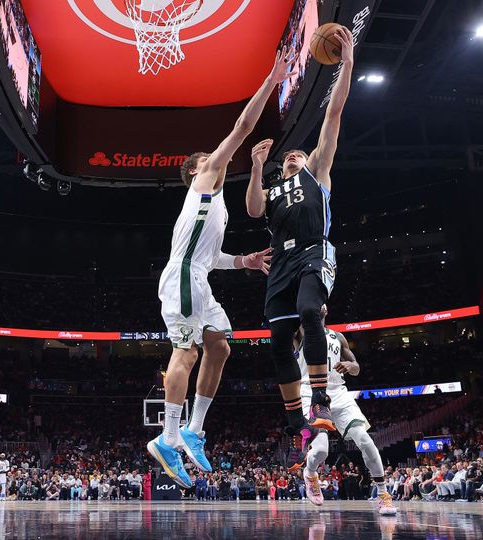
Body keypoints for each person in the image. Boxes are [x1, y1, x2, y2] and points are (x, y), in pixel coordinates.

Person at [148, 46, 297, 488]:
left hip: (201, 277)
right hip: (182, 280)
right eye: (207, 158)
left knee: (221, 348)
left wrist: (243, 261)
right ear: (196, 171)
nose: (216, 157)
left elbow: (212, 258)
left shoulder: (215, 205)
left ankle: (193, 430)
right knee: (187, 352)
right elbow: (243, 126)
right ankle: (168, 438)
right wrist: (272, 79)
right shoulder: (205, 178)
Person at [246, 26, 356, 449]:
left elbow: (333, 115)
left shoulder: (318, 171)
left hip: (314, 251)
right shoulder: (272, 190)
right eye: (287, 154)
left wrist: (345, 64)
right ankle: (296, 418)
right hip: (281, 262)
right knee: (276, 341)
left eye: (298, 152)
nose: (293, 153)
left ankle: (323, 402)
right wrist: (256, 167)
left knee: (312, 311)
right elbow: (253, 210)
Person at [291, 306, 396, 515]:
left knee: (366, 441)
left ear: (327, 310)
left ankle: (383, 494)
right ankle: (310, 473)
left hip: (338, 392)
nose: (319, 304)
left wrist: (350, 365)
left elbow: (357, 367)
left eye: (323, 302)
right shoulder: (300, 331)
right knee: (321, 450)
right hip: (310, 391)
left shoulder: (338, 337)